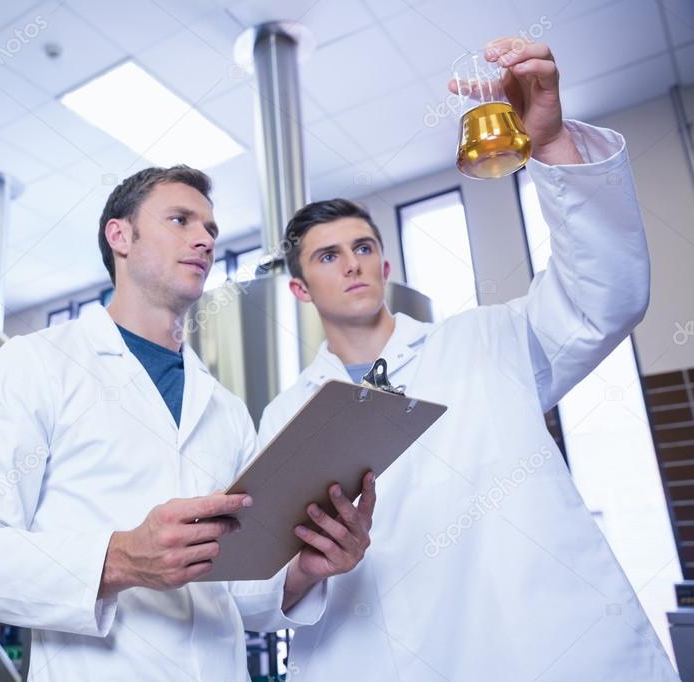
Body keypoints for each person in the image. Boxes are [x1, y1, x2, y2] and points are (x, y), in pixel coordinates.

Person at [257, 38, 680, 680]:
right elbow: (258, 581)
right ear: (299, 288)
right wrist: (306, 570)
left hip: (528, 651)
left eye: (364, 247)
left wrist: (554, 141)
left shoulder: (488, 341)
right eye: (327, 255)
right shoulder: (285, 416)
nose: (352, 263)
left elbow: (608, 298)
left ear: (386, 263)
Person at [0, 165, 376, 680]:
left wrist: (304, 571)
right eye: (181, 220)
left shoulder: (224, 408)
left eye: (210, 230)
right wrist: (119, 559)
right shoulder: (36, 364)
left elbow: (240, 597)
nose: (203, 239)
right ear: (120, 236)